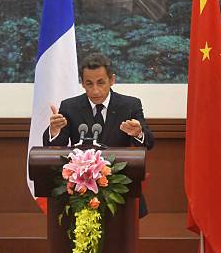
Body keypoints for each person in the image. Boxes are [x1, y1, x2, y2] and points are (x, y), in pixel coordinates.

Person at [42, 53, 154, 216]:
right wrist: (54, 130)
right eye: (89, 83)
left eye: (101, 83)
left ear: (112, 80)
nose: (95, 90)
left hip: (121, 194)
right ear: (82, 83)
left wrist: (138, 133)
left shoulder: (130, 105)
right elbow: (53, 146)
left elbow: (149, 143)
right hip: (80, 192)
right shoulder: (70, 106)